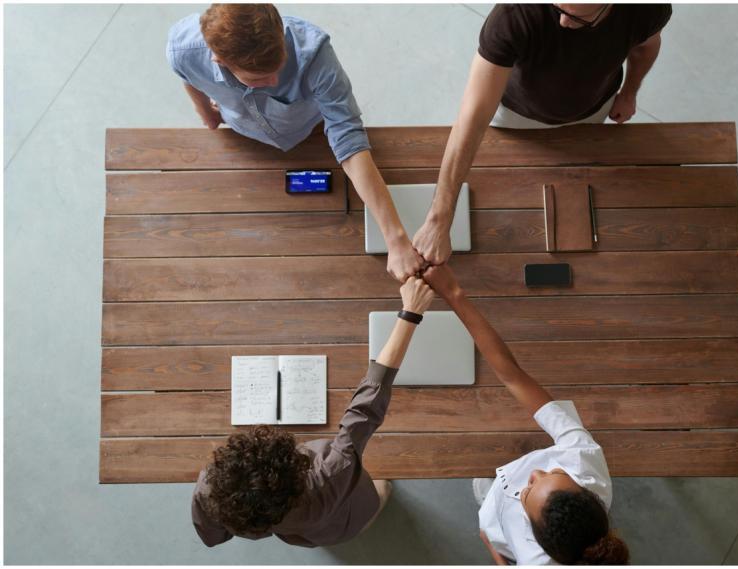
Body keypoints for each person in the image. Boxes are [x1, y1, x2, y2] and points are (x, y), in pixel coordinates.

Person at [167, 4, 423, 281]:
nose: (275, 80)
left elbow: (347, 135)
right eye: (259, 79)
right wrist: (206, 113)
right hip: (245, 140)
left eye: (278, 67)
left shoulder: (314, 53)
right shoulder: (183, 49)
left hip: (310, 130)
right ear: (219, 60)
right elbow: (186, 74)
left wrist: (396, 240)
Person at [413, 3, 673, 266]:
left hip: (593, 108)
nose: (562, 22)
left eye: (574, 17)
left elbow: (646, 46)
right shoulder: (514, 14)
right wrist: (439, 219)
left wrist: (629, 93)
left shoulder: (646, 8)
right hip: (515, 114)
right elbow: (473, 117)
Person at [191, 277, 435, 547]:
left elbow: (211, 536)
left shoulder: (211, 487)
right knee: (381, 490)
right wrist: (410, 312)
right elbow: (366, 406)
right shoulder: (328, 475)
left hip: (310, 532)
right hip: (345, 518)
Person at [422, 264, 628, 565]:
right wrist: (454, 294)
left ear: (533, 537)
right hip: (500, 511)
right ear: (589, 494)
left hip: (494, 523)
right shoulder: (582, 458)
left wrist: (492, 546)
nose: (536, 472)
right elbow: (513, 376)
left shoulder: (537, 561)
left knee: (486, 496)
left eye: (529, 490)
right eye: (555, 473)